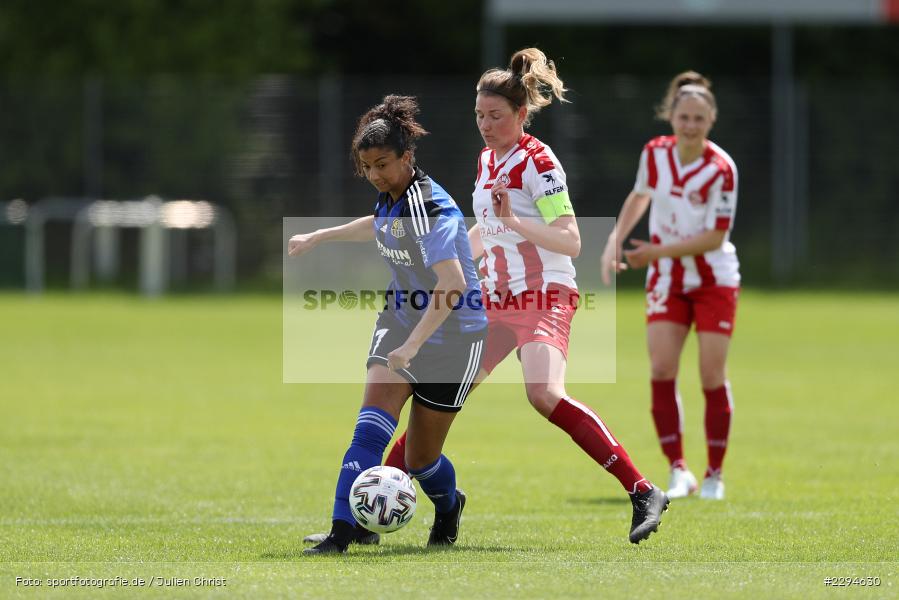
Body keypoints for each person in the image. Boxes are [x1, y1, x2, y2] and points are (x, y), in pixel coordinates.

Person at [380, 48, 668, 544]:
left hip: (546, 295)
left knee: (543, 394)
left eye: (495, 116)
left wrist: (515, 220)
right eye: (479, 115)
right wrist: (441, 269)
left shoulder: (540, 162)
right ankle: (382, 494)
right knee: (439, 395)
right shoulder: (486, 159)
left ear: (521, 114)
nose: (486, 125)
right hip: (494, 301)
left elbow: (571, 239)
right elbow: (487, 234)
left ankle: (643, 490)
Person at [289, 95, 487, 554]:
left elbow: (453, 284)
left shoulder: (429, 208)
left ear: (407, 157)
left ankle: (449, 504)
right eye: (368, 167)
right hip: (400, 322)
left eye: (383, 164)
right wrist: (322, 236)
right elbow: (377, 225)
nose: (375, 175)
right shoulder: (391, 198)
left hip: (455, 338)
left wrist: (415, 347)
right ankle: (342, 532)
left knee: (420, 459)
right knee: (370, 430)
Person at [600, 71, 739, 500]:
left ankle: (714, 473)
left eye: (699, 118)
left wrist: (653, 253)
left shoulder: (721, 169)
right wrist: (615, 238)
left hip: (713, 279)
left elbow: (716, 237)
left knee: (711, 374)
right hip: (667, 280)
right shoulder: (655, 154)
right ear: (671, 117)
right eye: (684, 117)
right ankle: (680, 470)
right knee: (662, 369)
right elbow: (640, 194)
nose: (690, 125)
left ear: (711, 119)